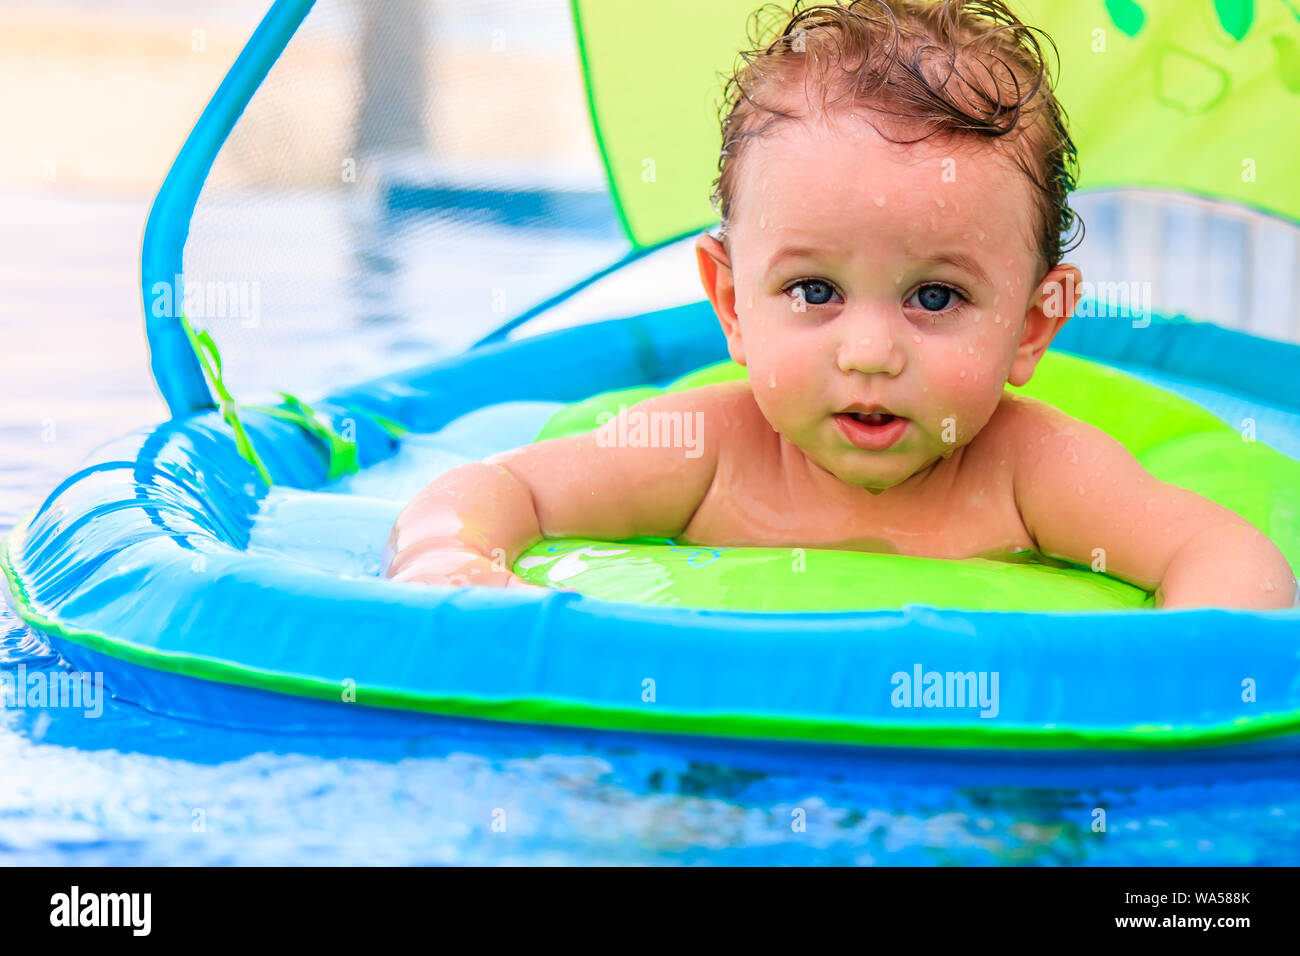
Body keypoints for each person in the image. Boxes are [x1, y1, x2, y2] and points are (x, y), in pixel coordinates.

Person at [384, 0, 1296, 609]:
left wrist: (1179, 663)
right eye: (813, 290)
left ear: (1029, 327)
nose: (867, 351)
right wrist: (451, 562)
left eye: (935, 297)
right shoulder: (701, 452)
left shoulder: (1037, 474)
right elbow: (495, 489)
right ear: (733, 303)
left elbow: (1225, 559)